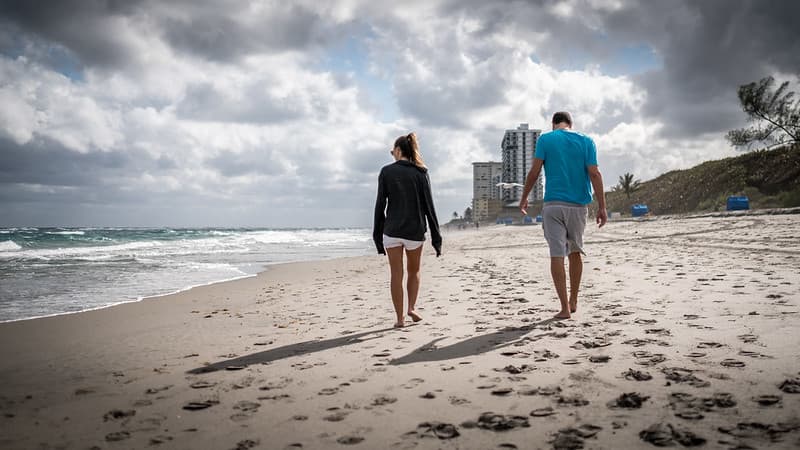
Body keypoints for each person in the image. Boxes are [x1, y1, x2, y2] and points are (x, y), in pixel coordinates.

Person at [520, 112, 607, 319]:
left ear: (554, 124)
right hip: (578, 206)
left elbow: (534, 172)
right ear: (571, 124)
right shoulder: (586, 141)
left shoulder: (546, 139)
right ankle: (574, 300)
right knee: (575, 251)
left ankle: (564, 308)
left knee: (556, 253)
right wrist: (602, 206)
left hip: (553, 206)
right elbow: (594, 173)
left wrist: (524, 197)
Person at [373, 133, 442, 328]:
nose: (391, 154)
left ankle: (400, 319)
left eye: (392, 151)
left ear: (398, 150)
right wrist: (436, 238)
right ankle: (411, 308)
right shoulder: (421, 172)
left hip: (392, 230)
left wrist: (377, 235)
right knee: (414, 271)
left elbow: (380, 205)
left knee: (396, 274)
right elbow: (429, 206)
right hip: (414, 230)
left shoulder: (386, 172)